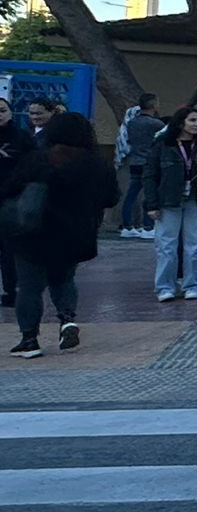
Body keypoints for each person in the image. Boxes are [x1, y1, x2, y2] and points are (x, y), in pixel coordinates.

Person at [2, 111, 118, 358]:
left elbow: (11, 188)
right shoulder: (98, 163)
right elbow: (111, 197)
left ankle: (29, 340)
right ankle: (67, 319)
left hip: (32, 233)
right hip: (75, 234)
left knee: (29, 287)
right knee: (63, 279)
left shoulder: (39, 159)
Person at [144, 106, 197, 301]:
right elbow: (150, 175)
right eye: (192, 120)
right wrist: (152, 204)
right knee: (166, 245)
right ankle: (165, 287)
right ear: (181, 123)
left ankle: (192, 284)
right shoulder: (163, 144)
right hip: (168, 200)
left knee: (195, 244)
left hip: (196, 199)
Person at [115, 95, 163, 238]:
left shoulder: (132, 122)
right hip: (149, 163)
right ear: (154, 105)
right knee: (149, 195)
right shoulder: (156, 124)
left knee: (131, 194)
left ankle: (127, 226)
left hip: (135, 161)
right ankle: (148, 227)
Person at [0, 97, 28, 308]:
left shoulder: (22, 138)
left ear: (10, 112)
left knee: (9, 250)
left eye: (2, 110)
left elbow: (32, 167)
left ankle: (11, 290)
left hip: (11, 200)